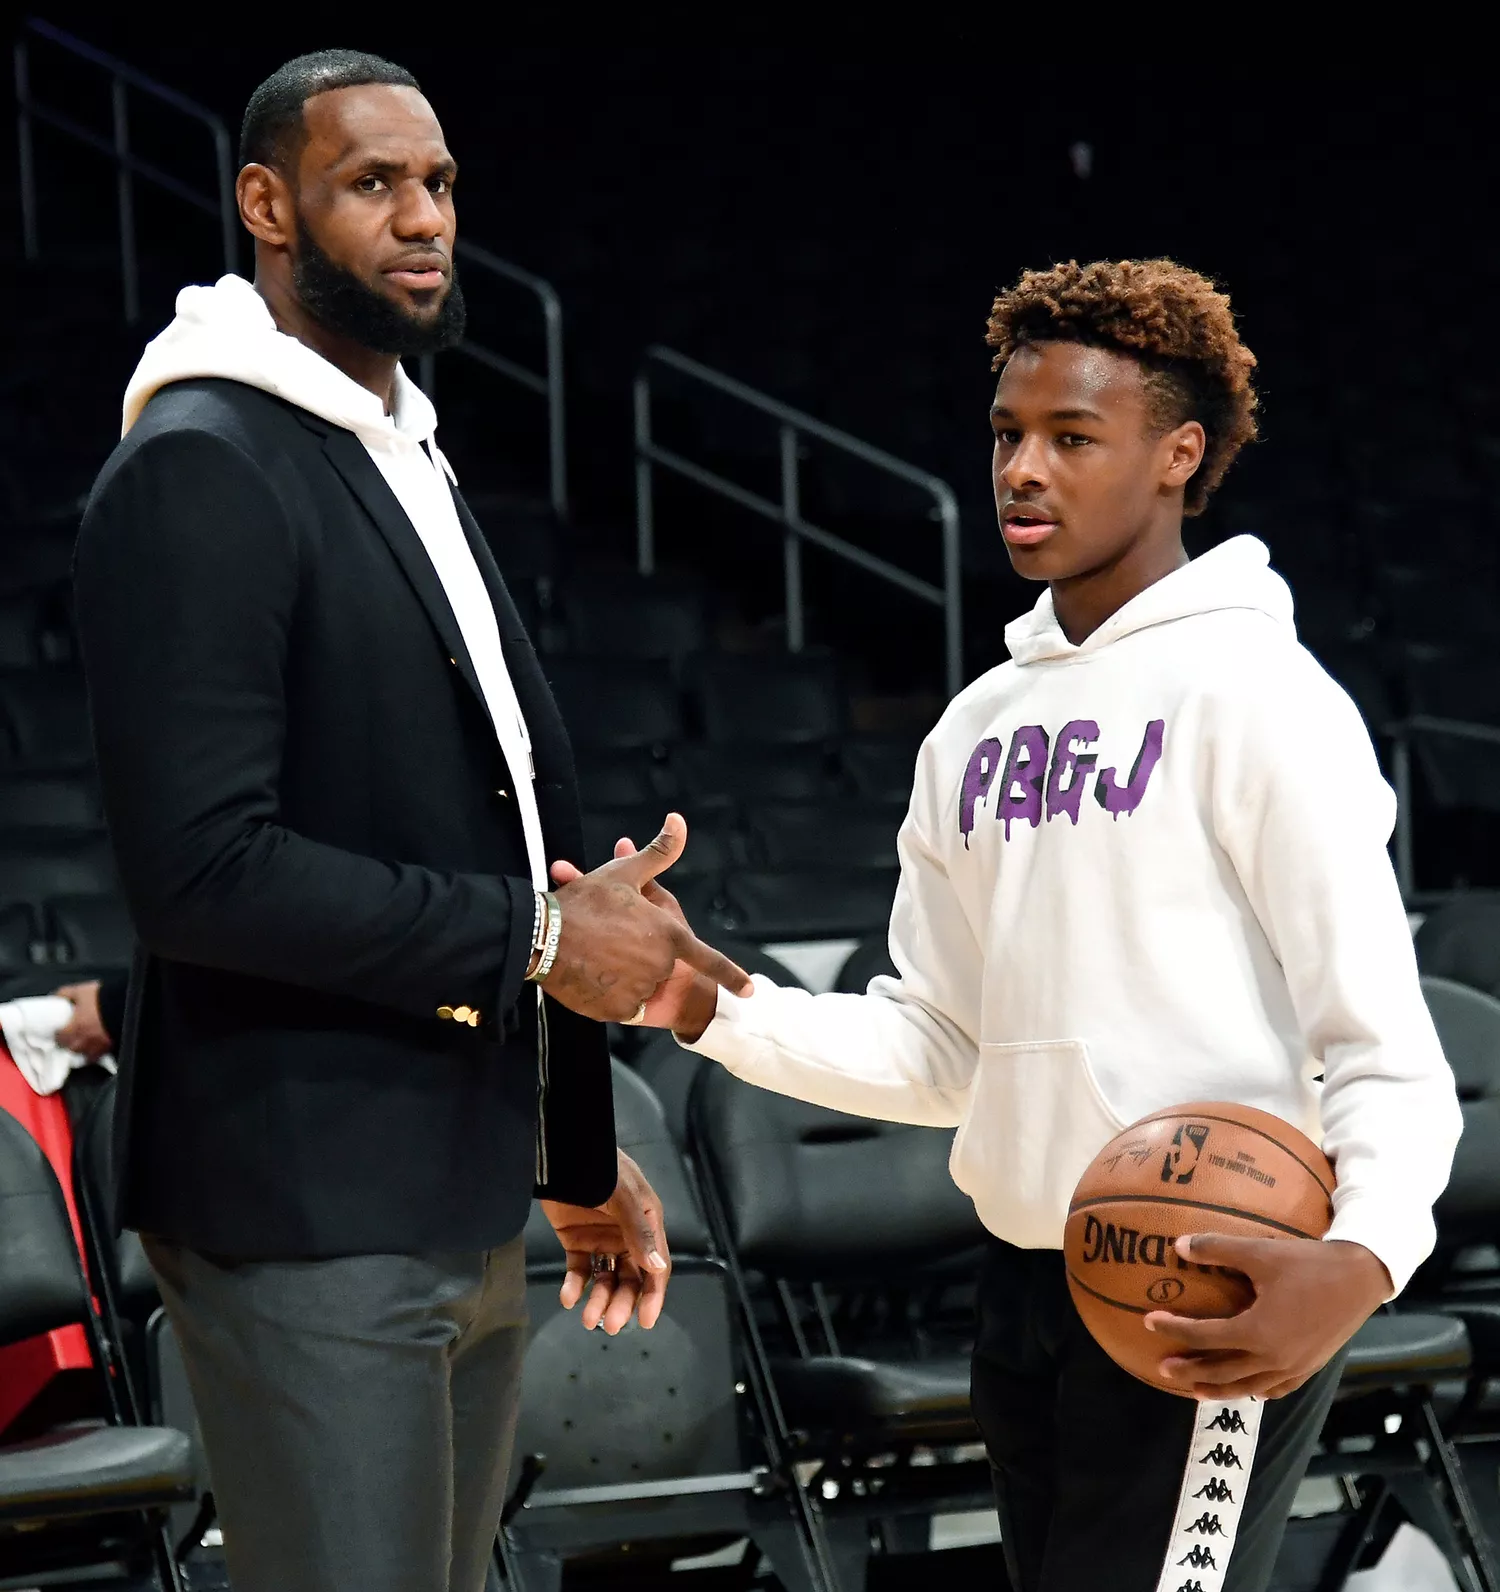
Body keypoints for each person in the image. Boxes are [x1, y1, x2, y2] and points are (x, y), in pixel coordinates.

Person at [596, 259, 1463, 1591]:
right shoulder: (973, 730)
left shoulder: (1263, 701)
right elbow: (943, 1047)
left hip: (1202, 1284)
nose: (1023, 470)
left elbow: (1382, 1049)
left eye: (1072, 437)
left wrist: (1362, 1258)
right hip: (1027, 1278)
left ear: (1179, 453)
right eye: (1008, 434)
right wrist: (714, 1008)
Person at [73, 49, 749, 1592]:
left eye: (438, 184)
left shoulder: (397, 452)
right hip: (301, 1193)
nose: (423, 216)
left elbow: (524, 845)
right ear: (267, 205)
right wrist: (535, 937)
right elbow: (200, 875)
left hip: (446, 1181)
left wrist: (575, 1148)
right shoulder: (199, 464)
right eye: (372, 183)